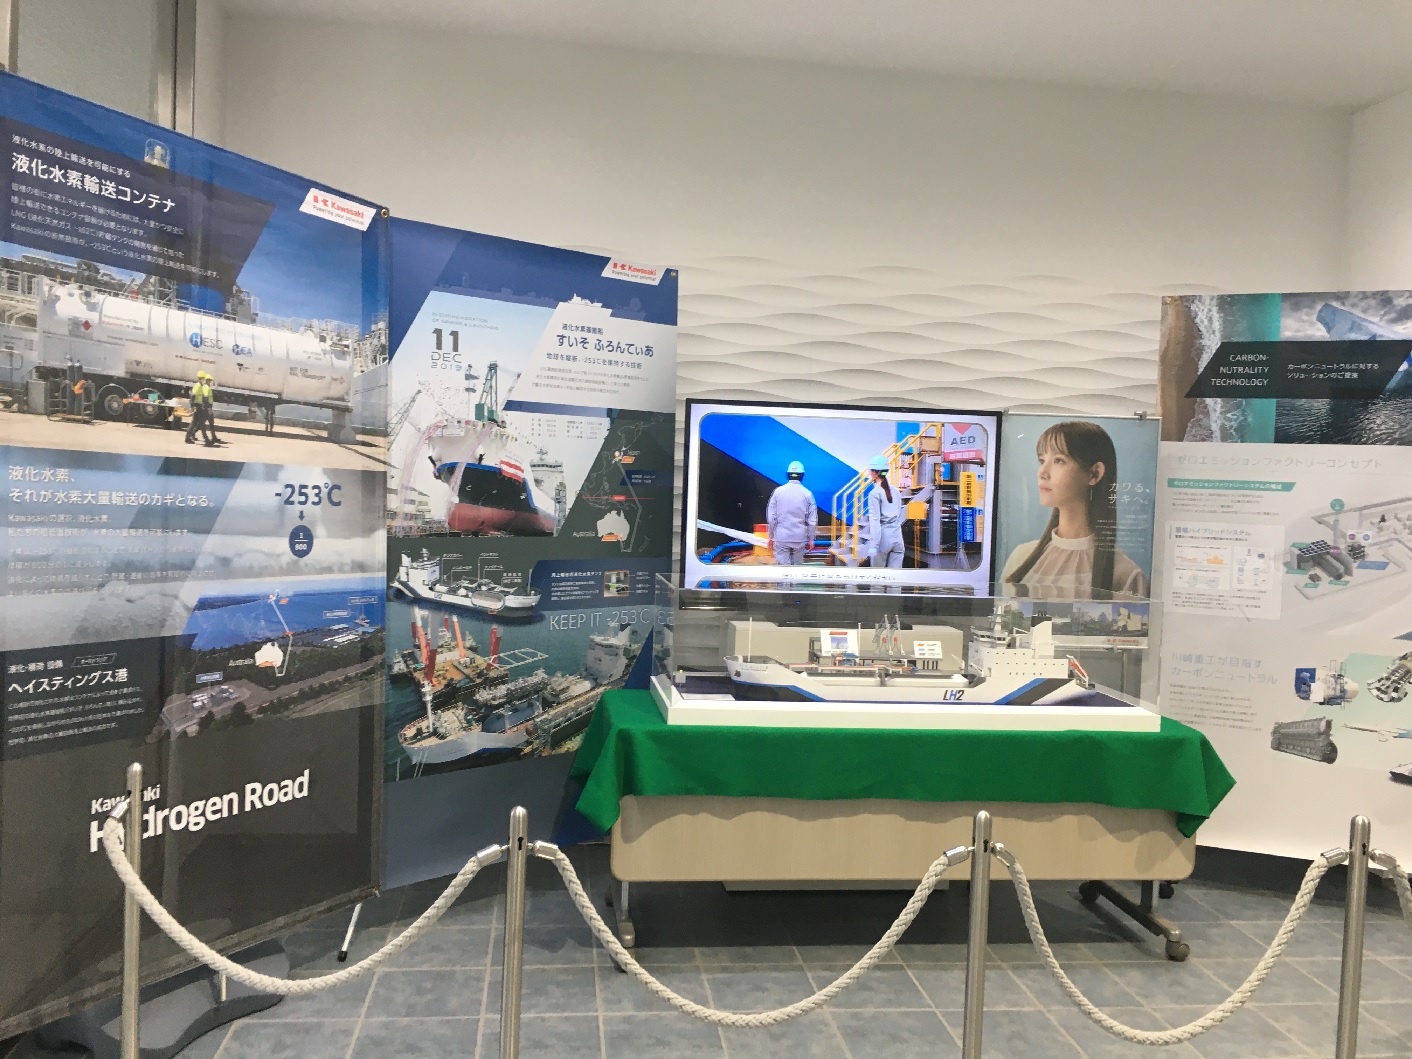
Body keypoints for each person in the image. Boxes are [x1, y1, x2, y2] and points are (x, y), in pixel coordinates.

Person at [1001, 420, 1149, 600]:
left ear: (1094, 473)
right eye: (1042, 460)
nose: (1042, 473)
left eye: (1058, 460)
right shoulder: (1021, 558)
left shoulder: (1125, 575)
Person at [765, 460, 817, 565]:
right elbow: (812, 520)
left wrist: (770, 536)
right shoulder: (808, 494)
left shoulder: (778, 492)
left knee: (782, 570)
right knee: (796, 569)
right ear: (802, 475)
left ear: (788, 475)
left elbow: (771, 518)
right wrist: (811, 539)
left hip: (781, 537)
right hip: (799, 537)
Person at [863, 455, 904, 568]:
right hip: (898, 538)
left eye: (870, 471)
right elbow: (899, 513)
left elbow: (875, 520)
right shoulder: (896, 491)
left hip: (883, 539)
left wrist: (874, 545)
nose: (869, 473)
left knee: (878, 576)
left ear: (875, 473)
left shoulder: (874, 493)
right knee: (895, 576)